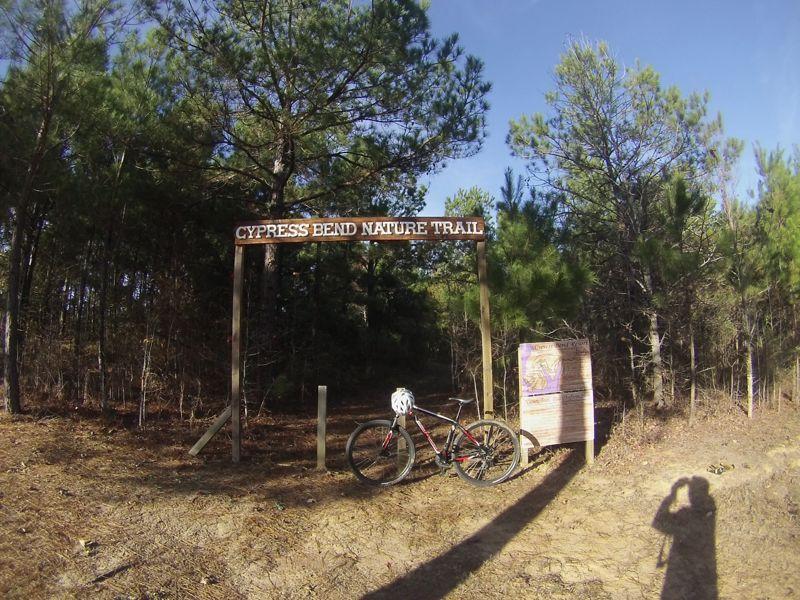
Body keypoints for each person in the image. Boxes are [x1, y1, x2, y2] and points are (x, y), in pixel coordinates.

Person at [652, 476, 718, 600]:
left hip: (682, 571)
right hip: (701, 571)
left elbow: (658, 523)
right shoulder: (709, 511)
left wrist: (672, 494)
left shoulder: (685, 514)